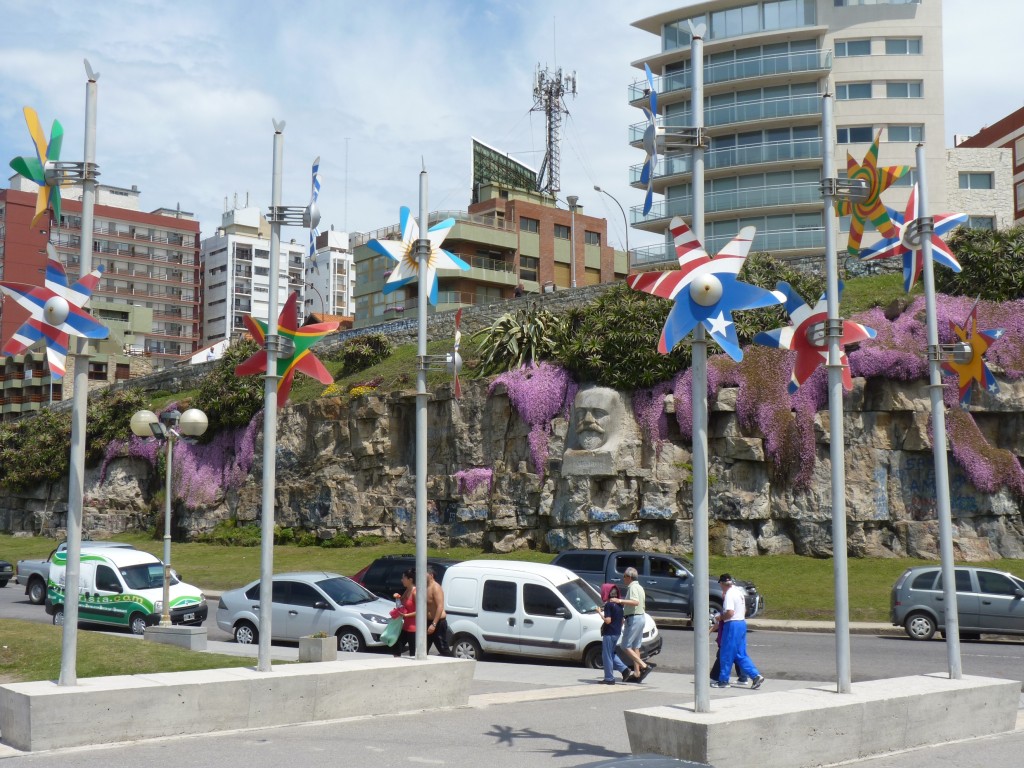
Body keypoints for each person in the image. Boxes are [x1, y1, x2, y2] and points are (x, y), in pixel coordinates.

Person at [712, 573, 764, 689]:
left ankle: (723, 681)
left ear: (722, 583)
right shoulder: (738, 592)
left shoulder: (729, 594)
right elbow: (744, 609)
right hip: (741, 623)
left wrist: (720, 617)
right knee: (740, 654)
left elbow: (730, 613)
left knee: (726, 653)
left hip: (732, 625)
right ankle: (755, 676)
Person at [611, 567, 654, 682]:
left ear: (629, 577)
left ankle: (644, 666)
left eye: (624, 576)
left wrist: (619, 601)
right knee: (636, 646)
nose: (623, 578)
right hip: (640, 617)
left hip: (634, 618)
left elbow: (635, 602)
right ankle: (637, 672)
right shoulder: (639, 587)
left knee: (625, 646)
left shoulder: (633, 587)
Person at [598, 583, 632, 684]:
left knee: (606, 655)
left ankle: (609, 678)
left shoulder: (608, 605)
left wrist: (599, 613)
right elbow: (621, 621)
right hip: (616, 632)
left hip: (609, 633)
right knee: (611, 653)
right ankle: (624, 670)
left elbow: (608, 621)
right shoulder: (619, 604)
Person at [390, 569, 417, 657]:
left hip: (414, 629)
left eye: (403, 578)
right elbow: (400, 604)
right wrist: (397, 597)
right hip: (405, 627)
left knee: (413, 654)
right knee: (396, 648)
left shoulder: (415, 592)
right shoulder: (407, 590)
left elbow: (420, 611)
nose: (402, 580)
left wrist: (406, 615)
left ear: (410, 580)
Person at [425, 566, 451, 656]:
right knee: (422, 648)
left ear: (431, 575)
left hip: (438, 623)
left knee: (442, 648)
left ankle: (453, 666)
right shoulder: (424, 587)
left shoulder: (436, 587)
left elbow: (440, 606)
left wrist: (434, 624)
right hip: (427, 622)